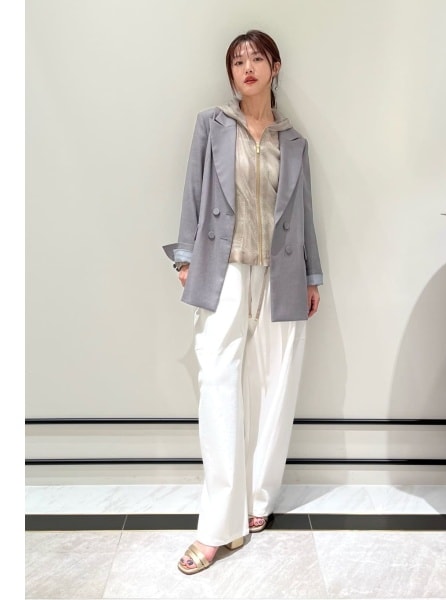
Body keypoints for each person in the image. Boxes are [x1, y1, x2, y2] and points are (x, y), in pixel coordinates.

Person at [163, 29, 323, 574]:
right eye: (237, 61)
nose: (247, 67)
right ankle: (217, 525)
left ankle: (258, 495)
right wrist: (185, 257)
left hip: (281, 272)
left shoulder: (294, 141)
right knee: (218, 381)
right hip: (224, 266)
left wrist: (312, 275)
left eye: (257, 58)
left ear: (275, 67)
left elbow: (303, 213)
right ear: (230, 73)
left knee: (275, 385)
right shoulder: (212, 124)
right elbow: (192, 191)